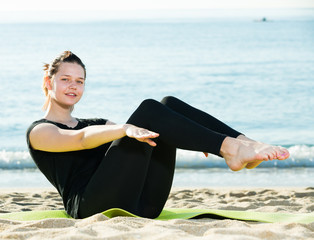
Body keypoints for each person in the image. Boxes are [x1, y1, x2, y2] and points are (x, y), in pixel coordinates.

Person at [26, 51, 290, 219]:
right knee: (149, 110)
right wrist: (124, 129)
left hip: (145, 205)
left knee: (168, 105)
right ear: (49, 83)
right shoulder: (40, 131)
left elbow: (137, 143)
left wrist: (195, 138)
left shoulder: (98, 123)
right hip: (91, 209)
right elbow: (82, 139)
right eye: (65, 79)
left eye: (80, 81)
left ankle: (242, 143)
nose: (73, 85)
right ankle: (230, 149)